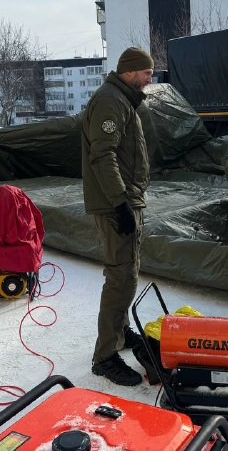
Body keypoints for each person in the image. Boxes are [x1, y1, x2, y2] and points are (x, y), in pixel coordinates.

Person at [81, 46, 154, 386]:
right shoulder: (111, 100)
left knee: (126, 273)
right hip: (116, 204)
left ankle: (121, 333)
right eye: (146, 72)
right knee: (120, 277)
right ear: (129, 71)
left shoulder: (123, 99)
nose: (150, 78)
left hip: (125, 199)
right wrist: (120, 202)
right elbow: (103, 154)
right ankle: (105, 357)